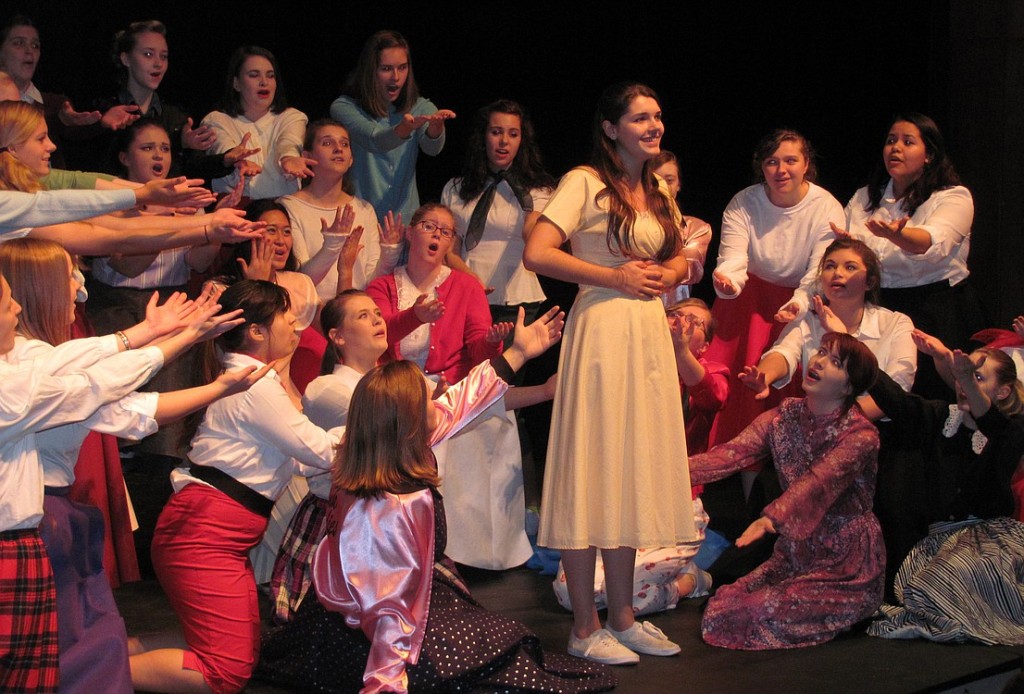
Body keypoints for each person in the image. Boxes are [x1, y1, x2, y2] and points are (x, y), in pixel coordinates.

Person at [257, 306, 615, 693]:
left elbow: (464, 400)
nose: (439, 401)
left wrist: (518, 353)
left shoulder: (401, 446)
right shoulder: (385, 507)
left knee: (510, 643)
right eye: (427, 400)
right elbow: (386, 608)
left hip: (403, 602)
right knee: (506, 649)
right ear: (407, 418)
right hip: (378, 632)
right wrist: (386, 682)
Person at [0, 237, 263, 693]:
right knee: (75, 656)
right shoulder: (23, 362)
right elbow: (115, 403)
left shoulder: (38, 356)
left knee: (83, 649)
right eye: (67, 276)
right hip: (40, 522)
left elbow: (93, 373)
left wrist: (155, 334)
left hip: (53, 520)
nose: (80, 290)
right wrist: (187, 347)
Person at [523, 82, 697, 665]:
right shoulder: (585, 182)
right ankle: (583, 624)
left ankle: (623, 618)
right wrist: (614, 277)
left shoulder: (657, 190)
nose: (654, 126)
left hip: (646, 333)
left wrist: (663, 273)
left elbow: (679, 255)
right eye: (641, 118)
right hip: (600, 328)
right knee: (591, 467)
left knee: (628, 469)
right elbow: (539, 252)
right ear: (610, 127)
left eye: (658, 116)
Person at [128, 280, 345, 693]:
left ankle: (106, 658)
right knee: (225, 673)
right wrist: (367, 430)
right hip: (202, 536)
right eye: (285, 314)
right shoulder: (253, 382)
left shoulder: (252, 378)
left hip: (210, 534)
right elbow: (320, 451)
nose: (294, 323)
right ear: (257, 331)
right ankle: (89, 675)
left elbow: (302, 458)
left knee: (236, 654)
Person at [690, 332, 884, 650]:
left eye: (835, 362)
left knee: (755, 610)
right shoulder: (785, 416)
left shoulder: (861, 435)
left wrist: (771, 519)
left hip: (845, 563)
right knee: (722, 607)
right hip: (796, 551)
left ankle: (848, 615)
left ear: (849, 386)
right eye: (821, 352)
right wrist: (666, 471)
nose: (819, 361)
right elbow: (732, 454)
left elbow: (819, 481)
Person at [368, 203, 531, 569]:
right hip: (398, 391)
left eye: (446, 231)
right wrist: (416, 316)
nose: (437, 235)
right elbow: (375, 338)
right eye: (429, 226)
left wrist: (491, 341)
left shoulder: (466, 285)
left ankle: (471, 549)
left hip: (450, 389)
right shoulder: (382, 285)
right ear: (410, 233)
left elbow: (477, 354)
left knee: (482, 423)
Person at [553, 298, 725, 616]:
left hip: (675, 512)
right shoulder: (629, 368)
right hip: (621, 503)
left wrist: (680, 352)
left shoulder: (710, 372)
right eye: (676, 314)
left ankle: (690, 581)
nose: (682, 322)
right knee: (569, 593)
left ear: (705, 346)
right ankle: (675, 573)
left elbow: (712, 396)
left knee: (630, 596)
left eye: (695, 321)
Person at [864, 342, 1024, 645]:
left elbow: (994, 427)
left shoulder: (1011, 431)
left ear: (1002, 391)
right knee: (928, 580)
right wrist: (853, 348)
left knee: (966, 572)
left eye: (977, 377)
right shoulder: (939, 416)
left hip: (988, 542)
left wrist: (963, 378)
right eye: (964, 376)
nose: (964, 385)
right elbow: (896, 400)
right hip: (938, 542)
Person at [706, 129, 844, 448]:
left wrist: (799, 302)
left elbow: (819, 269)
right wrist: (728, 280)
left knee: (789, 390)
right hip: (747, 302)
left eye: (790, 160)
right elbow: (732, 257)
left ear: (806, 163)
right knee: (740, 394)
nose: (781, 170)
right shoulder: (744, 201)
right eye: (772, 162)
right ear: (762, 167)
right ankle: (734, 480)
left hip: (802, 301)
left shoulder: (827, 207)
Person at [835, 112, 979, 399]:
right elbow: (850, 249)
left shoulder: (952, 197)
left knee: (933, 398)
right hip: (880, 304)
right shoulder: (865, 197)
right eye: (891, 141)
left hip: (936, 308)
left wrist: (898, 236)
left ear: (929, 154)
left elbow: (931, 242)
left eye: (907, 142)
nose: (895, 148)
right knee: (877, 392)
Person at [0, 100, 262, 252]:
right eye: (40, 139)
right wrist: (143, 195)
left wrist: (210, 223)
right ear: (11, 146)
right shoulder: (9, 205)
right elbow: (110, 236)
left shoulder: (33, 189)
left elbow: (112, 218)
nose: (52, 146)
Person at [740, 238, 917, 420]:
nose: (837, 273)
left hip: (877, 431)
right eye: (830, 266)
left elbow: (898, 390)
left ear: (870, 282)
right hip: (819, 424)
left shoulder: (897, 324)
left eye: (850, 267)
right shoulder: (808, 319)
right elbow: (783, 353)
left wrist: (840, 421)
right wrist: (764, 376)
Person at [441, 99, 555, 325]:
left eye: (513, 134)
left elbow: (534, 239)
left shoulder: (539, 190)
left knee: (503, 361)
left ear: (522, 140)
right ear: (483, 136)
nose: (504, 141)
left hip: (518, 299)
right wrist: (472, 281)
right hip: (467, 294)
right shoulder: (455, 188)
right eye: (496, 132)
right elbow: (449, 251)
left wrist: (528, 208)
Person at [330, 30, 454, 221]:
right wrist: (404, 129)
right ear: (370, 70)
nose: (396, 77)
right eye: (386, 69)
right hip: (359, 217)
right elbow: (374, 139)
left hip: (403, 222)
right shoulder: (345, 107)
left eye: (402, 68)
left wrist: (435, 129)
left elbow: (432, 150)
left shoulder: (420, 106)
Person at [279, 118, 401, 300]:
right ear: (308, 156)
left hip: (355, 315)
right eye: (327, 143)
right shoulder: (289, 207)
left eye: (344, 144)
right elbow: (298, 281)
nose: (338, 149)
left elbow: (370, 282)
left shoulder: (363, 209)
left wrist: (389, 257)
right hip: (310, 315)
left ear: (351, 159)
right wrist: (332, 246)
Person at [202, 45, 309, 200]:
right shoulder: (216, 120)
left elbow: (289, 141)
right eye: (254, 75)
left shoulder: (291, 117)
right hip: (236, 209)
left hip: (282, 212)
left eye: (270, 76)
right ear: (236, 84)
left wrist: (289, 158)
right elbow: (223, 146)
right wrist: (236, 160)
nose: (264, 82)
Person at [649, 150, 712, 305]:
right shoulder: (628, 223)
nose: (661, 187)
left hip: (675, 315)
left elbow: (691, 271)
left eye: (669, 180)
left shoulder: (696, 227)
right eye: (654, 180)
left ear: (679, 185)